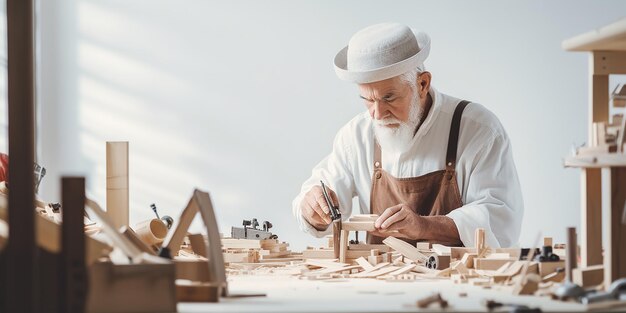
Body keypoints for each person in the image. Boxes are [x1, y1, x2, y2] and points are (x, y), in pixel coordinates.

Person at [292, 23, 523, 248]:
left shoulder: (478, 129)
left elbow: (500, 220)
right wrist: (312, 207)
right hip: (379, 280)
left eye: (389, 98)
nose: (378, 114)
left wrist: (424, 226)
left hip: (456, 281)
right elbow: (316, 195)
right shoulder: (356, 135)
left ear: (422, 84)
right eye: (368, 100)